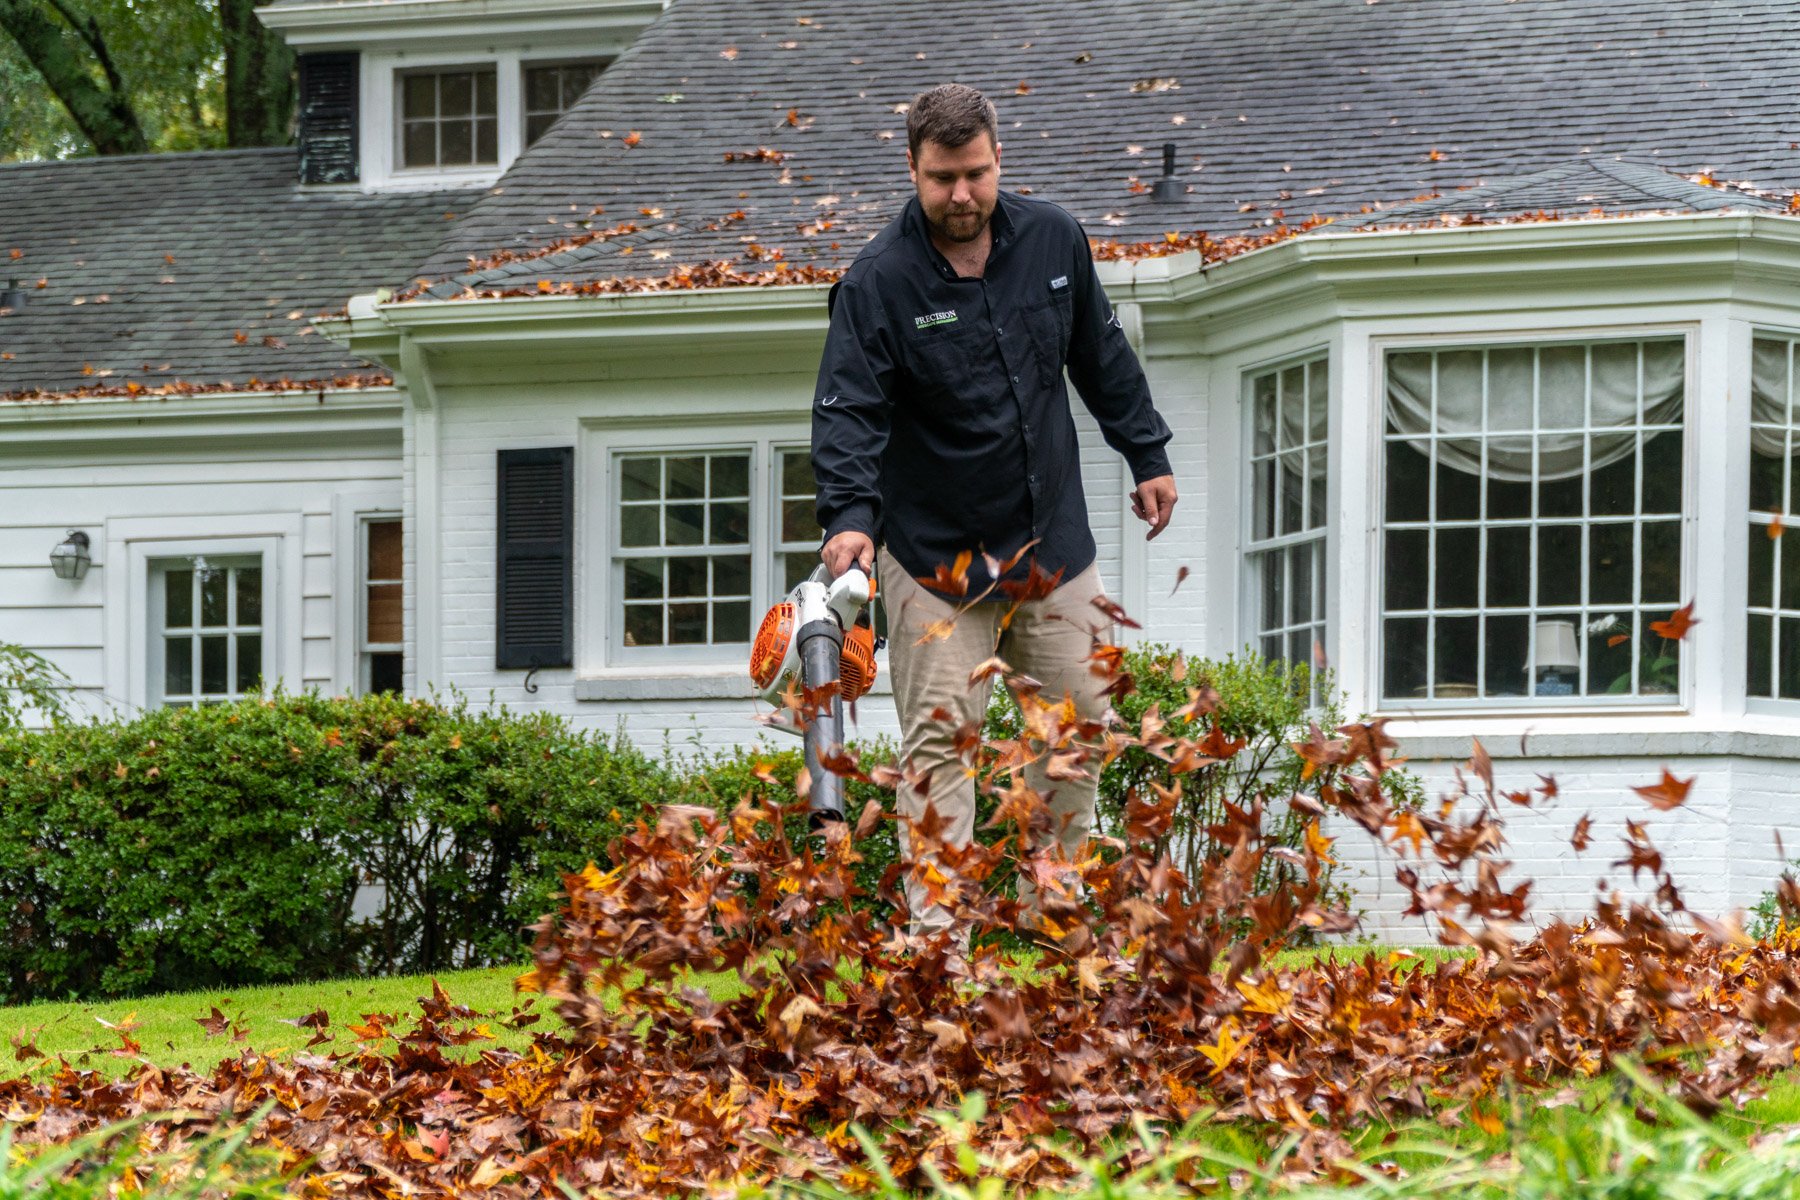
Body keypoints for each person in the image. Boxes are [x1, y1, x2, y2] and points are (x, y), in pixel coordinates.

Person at [810, 82, 1177, 944]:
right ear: (912, 169)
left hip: (1051, 548)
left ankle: (1064, 922)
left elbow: (1099, 353)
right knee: (942, 751)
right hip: (936, 565)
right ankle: (942, 948)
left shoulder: (1053, 240)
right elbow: (849, 411)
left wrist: (1147, 452)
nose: (962, 195)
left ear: (998, 158)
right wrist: (850, 519)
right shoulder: (877, 282)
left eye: (976, 173)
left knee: (1083, 730)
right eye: (943, 179)